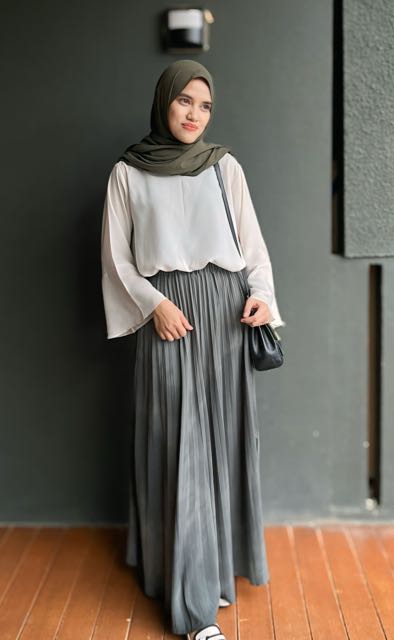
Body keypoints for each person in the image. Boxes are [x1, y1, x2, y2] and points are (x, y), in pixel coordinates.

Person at [100, 59, 285, 640]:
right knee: (176, 445)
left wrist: (261, 297)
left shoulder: (224, 166)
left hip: (225, 315)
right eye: (185, 101)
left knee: (221, 443)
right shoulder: (127, 173)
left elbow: (253, 247)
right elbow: (116, 259)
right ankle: (193, 607)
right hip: (167, 318)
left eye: (205, 105)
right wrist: (154, 304)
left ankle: (212, 574)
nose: (194, 115)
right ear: (164, 102)